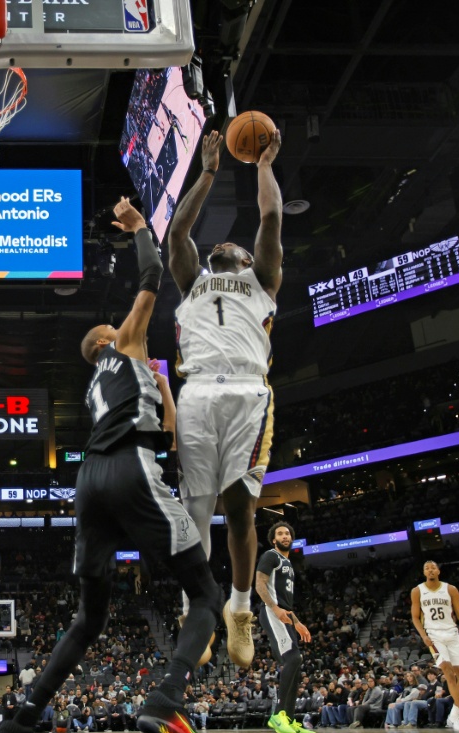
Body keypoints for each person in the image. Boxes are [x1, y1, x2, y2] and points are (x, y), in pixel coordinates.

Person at [0, 197, 222, 733]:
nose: (120, 325)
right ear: (105, 338)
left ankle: (17, 730)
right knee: (206, 593)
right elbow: (152, 275)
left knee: (88, 617)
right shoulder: (124, 344)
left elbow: (165, 428)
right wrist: (141, 228)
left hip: (90, 480)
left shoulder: (101, 385)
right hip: (129, 468)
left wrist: (163, 389)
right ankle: (166, 702)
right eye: (113, 326)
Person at [168, 127, 283, 669]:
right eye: (217, 245)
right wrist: (209, 171)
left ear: (243, 259)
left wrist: (262, 166)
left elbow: (270, 221)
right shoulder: (192, 280)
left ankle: (239, 609)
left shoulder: (261, 278)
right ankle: (198, 607)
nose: (221, 245)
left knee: (238, 508)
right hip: (196, 391)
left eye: (228, 246)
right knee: (192, 510)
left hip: (246, 391)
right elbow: (178, 233)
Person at [255, 522, 316, 733]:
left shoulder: (288, 563)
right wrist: (274, 608)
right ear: (274, 539)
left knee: (296, 663)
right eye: (280, 533)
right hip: (271, 613)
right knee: (292, 658)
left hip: (285, 615)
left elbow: (286, 603)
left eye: (288, 533)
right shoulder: (271, 556)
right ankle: (279, 715)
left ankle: (288, 720)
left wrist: (297, 622)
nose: (285, 535)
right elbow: (259, 585)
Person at [411, 560, 459, 732]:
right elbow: (416, 617)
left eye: (433, 568)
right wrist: (424, 635)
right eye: (427, 568)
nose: (430, 570)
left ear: (438, 571)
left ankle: (453, 716)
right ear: (424, 572)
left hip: (452, 633)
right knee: (448, 671)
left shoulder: (450, 589)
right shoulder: (417, 591)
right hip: (434, 635)